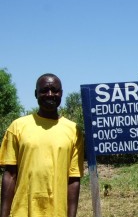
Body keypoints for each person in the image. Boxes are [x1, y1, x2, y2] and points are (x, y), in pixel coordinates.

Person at [0, 73, 84, 217]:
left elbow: (74, 179)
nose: (50, 94)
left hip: (58, 212)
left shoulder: (74, 131)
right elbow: (10, 174)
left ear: (61, 93)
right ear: (36, 94)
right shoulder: (17, 127)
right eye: (44, 90)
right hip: (22, 212)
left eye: (55, 90)